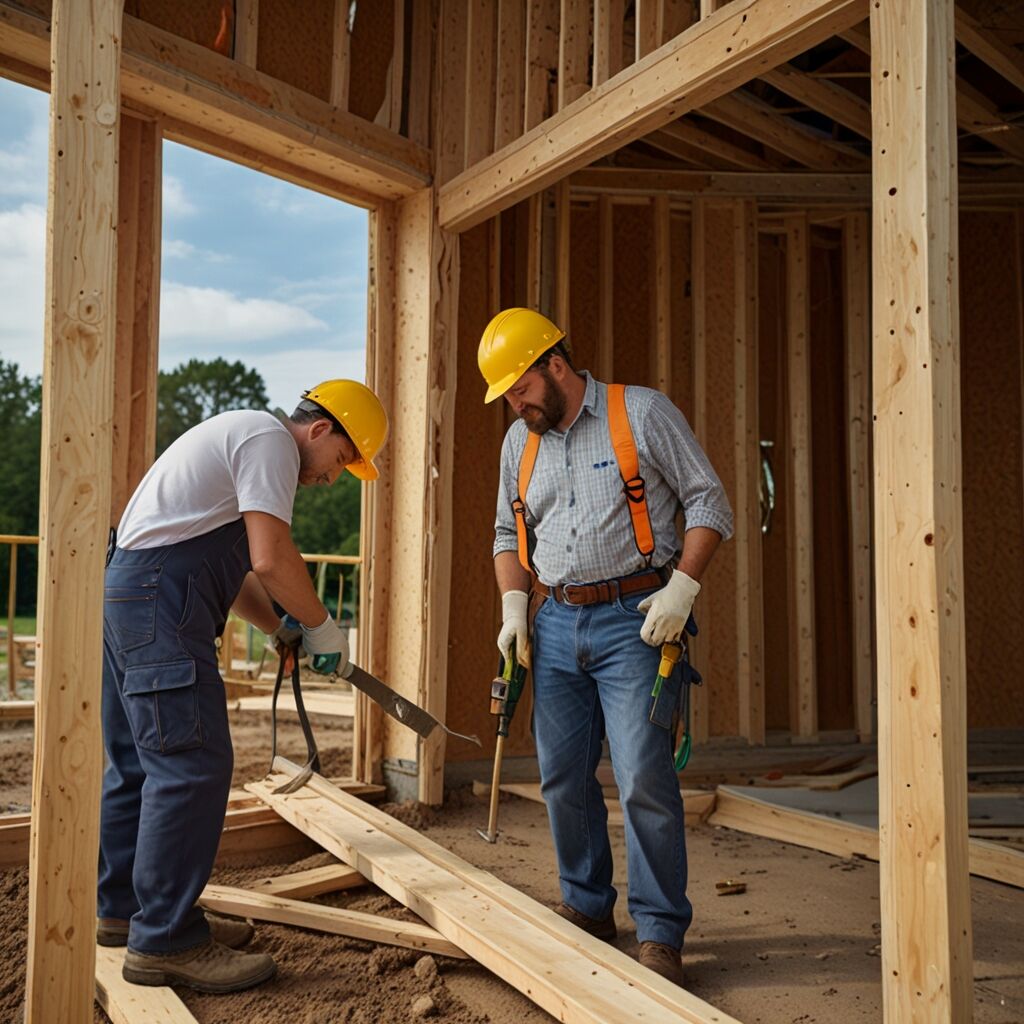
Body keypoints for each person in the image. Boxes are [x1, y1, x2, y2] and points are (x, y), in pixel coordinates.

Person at [97, 379, 388, 993]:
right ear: (320, 430)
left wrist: (282, 626)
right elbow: (271, 556)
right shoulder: (269, 442)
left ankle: (127, 913)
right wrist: (322, 626)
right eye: (341, 460)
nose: (332, 478)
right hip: (159, 604)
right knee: (191, 765)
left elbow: (233, 575)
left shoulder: (241, 443)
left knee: (138, 764)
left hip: (136, 595)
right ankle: (167, 939)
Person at [479, 308, 732, 987]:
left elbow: (710, 502)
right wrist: (513, 609)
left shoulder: (641, 415)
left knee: (643, 777)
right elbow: (509, 534)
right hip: (555, 622)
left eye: (519, 387)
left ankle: (659, 931)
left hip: (636, 622)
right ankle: (589, 907)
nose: (514, 403)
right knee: (562, 775)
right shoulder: (519, 442)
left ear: (554, 364)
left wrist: (682, 589)